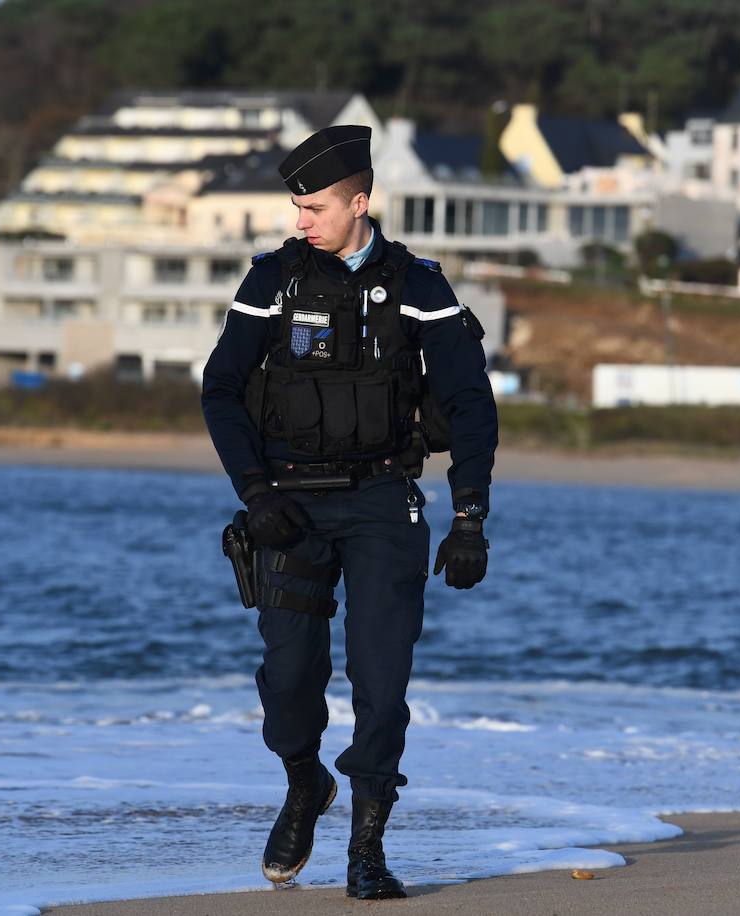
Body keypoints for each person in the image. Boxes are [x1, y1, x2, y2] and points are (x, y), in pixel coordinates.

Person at [200, 124, 499, 899]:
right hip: (288, 507)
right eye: (297, 207)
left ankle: (367, 851)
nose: (302, 221)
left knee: (382, 684)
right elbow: (221, 390)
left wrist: (470, 516)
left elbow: (470, 403)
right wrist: (255, 494)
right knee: (289, 676)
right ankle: (305, 781)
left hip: (382, 506)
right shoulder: (272, 282)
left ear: (359, 202)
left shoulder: (421, 285)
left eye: (316, 207)